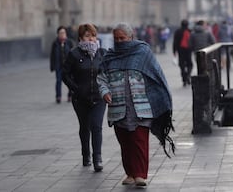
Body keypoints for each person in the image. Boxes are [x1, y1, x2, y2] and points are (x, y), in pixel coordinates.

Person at [97, 22, 175, 188]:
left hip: (141, 107)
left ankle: (140, 174)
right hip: (118, 107)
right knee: (125, 142)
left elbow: (155, 75)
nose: (119, 41)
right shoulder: (109, 57)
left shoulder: (143, 52)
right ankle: (130, 174)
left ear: (130, 37)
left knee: (139, 140)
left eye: (122, 38)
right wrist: (104, 92)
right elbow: (102, 78)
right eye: (116, 38)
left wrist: (159, 98)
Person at [62, 23, 106, 172]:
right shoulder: (74, 54)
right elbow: (65, 74)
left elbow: (108, 73)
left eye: (93, 35)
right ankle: (85, 154)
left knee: (96, 126)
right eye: (88, 36)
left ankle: (97, 158)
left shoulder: (102, 53)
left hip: (99, 98)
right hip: (80, 99)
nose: (91, 38)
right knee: (84, 127)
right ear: (81, 37)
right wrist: (76, 89)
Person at [50, 26, 74, 103]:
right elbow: (52, 55)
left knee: (70, 81)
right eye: (60, 33)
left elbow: (73, 54)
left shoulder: (69, 42)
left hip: (68, 66)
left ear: (66, 33)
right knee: (58, 81)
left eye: (63, 32)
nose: (62, 34)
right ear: (58, 34)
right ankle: (58, 96)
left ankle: (70, 95)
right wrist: (52, 66)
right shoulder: (55, 43)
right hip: (59, 66)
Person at [173, 19, 193, 86]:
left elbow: (175, 42)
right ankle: (188, 75)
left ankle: (184, 79)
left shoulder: (177, 31)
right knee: (189, 64)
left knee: (182, 65)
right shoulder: (190, 31)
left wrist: (174, 51)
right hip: (188, 50)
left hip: (180, 50)